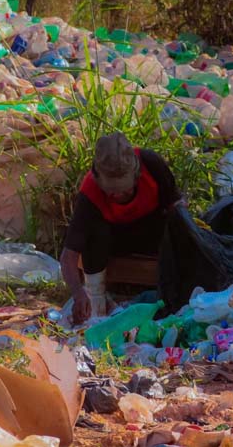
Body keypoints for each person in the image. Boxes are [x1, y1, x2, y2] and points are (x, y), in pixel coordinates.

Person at [60, 132, 183, 324]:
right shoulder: (90, 192)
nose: (118, 195)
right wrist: (78, 293)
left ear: (135, 176)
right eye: (112, 190)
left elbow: (177, 208)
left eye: (124, 189)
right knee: (93, 233)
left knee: (176, 225)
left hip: (153, 232)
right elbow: (69, 255)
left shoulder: (151, 164)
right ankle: (96, 303)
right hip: (113, 241)